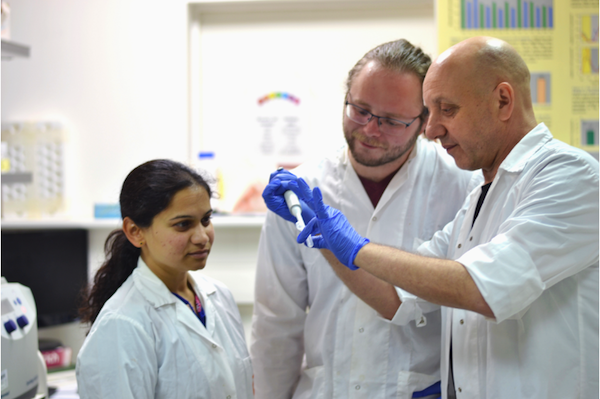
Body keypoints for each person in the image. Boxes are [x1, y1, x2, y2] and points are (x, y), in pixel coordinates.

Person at [270, 36, 599, 399]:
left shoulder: (571, 176)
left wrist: (356, 246)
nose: (431, 130)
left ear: (503, 100)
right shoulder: (479, 197)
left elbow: (480, 288)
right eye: (431, 111)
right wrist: (328, 240)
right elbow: (394, 298)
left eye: (447, 109)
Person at [252, 39, 478, 399]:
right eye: (360, 110)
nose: (371, 130)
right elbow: (277, 322)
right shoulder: (301, 192)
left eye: (391, 120)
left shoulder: (462, 186)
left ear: (424, 123)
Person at [76, 159, 253, 399]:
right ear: (135, 232)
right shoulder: (123, 323)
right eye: (183, 224)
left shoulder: (219, 296)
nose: (202, 236)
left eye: (206, 220)